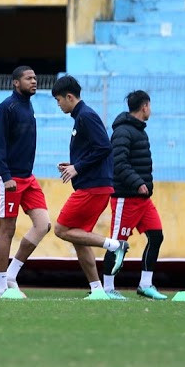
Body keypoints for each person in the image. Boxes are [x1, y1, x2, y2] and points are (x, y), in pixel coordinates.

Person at [51, 75, 126, 300]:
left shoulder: (86, 115)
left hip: (94, 187)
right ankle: (97, 290)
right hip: (92, 184)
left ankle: (115, 245)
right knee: (78, 237)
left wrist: (78, 167)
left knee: (61, 229)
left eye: (58, 100)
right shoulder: (81, 117)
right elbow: (93, 150)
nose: (58, 104)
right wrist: (73, 164)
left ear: (69, 97)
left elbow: (104, 147)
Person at [0, 66, 51, 298]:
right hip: (9, 177)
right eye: (28, 78)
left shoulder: (28, 105)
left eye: (35, 78)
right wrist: (6, 177)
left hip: (28, 177)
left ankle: (11, 274)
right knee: (7, 229)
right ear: (16, 82)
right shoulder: (7, 107)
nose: (34, 81)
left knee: (43, 224)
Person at [103, 90, 166, 300]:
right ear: (144, 106)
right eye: (150, 106)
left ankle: (145, 285)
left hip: (143, 200)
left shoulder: (140, 131)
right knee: (117, 243)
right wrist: (137, 183)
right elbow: (118, 163)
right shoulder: (123, 131)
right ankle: (107, 288)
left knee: (156, 236)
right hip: (126, 197)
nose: (150, 110)